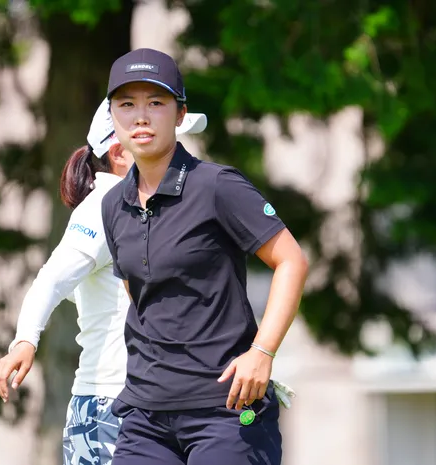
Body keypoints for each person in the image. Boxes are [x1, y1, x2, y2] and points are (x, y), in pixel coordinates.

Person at [100, 48, 309, 465]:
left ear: (180, 114)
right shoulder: (113, 205)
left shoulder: (218, 186)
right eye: (127, 105)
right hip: (145, 414)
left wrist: (262, 352)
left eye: (155, 103)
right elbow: (137, 295)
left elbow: (292, 261)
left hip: (226, 409)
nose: (140, 117)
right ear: (112, 117)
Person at [0, 97, 208, 465]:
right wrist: (25, 341)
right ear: (119, 153)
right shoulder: (104, 205)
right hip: (110, 407)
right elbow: (51, 280)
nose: (179, 155)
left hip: (151, 403)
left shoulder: (149, 209)